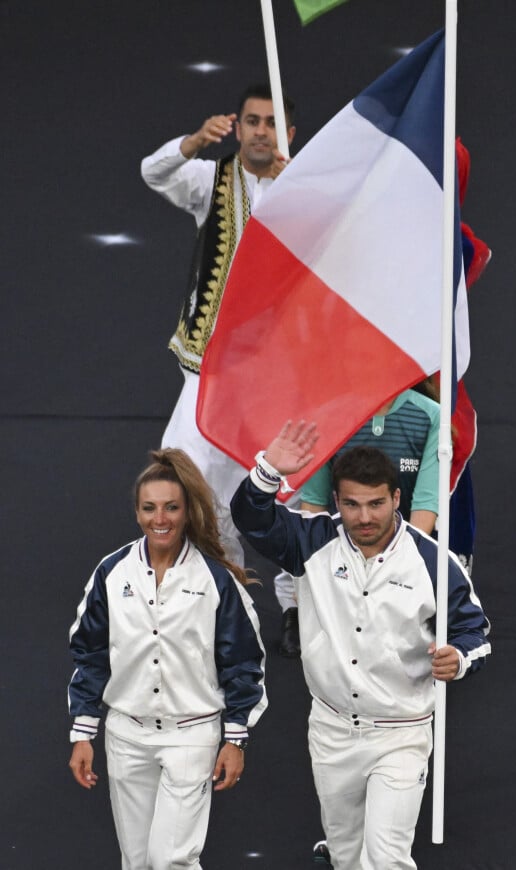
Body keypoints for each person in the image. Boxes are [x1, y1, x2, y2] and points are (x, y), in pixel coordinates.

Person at [231, 421, 490, 870]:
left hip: (402, 733)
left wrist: (460, 658)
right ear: (336, 502)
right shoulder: (311, 541)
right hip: (330, 732)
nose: (364, 517)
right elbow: (251, 518)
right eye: (351, 504)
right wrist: (269, 469)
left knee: (386, 859)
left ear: (396, 499)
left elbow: (475, 633)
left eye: (375, 504)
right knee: (348, 858)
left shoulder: (434, 561)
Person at [68, 448, 267, 870]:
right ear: (137, 512)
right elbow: (90, 653)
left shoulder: (216, 580)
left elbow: (244, 663)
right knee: (137, 862)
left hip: (191, 736)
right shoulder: (111, 572)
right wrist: (82, 732)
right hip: (127, 736)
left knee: (171, 860)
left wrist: (235, 739)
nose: (161, 519)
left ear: (186, 510)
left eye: (171, 508)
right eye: (150, 508)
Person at [141, 84, 296, 566]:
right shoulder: (213, 180)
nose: (261, 132)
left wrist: (301, 197)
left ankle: (295, 605)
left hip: (276, 373)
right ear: (238, 127)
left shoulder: (308, 189)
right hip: (208, 367)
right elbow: (153, 172)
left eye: (272, 123)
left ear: (289, 133)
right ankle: (222, 589)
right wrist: (191, 143)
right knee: (184, 474)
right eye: (253, 121)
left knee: (287, 491)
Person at [275, 387, 440, 657]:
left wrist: (401, 570)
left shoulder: (432, 416)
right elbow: (314, 504)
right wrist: (303, 580)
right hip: (345, 555)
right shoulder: (328, 414)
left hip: (402, 553)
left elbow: (425, 504)